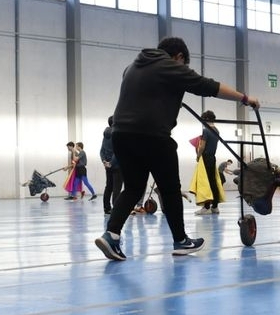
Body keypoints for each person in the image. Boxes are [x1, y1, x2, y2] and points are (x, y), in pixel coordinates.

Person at [94, 37, 259, 262]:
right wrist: (245, 98)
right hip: (152, 135)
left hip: (121, 135)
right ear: (179, 57)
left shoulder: (131, 67)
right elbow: (208, 86)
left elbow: (146, 93)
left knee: (133, 187)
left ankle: (111, 235)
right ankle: (180, 240)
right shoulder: (170, 66)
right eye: (185, 64)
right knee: (170, 189)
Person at [196, 110, 223, 214]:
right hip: (212, 158)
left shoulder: (206, 130)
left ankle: (206, 207)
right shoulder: (217, 130)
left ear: (206, 119)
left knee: (205, 182)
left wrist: (198, 156)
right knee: (213, 182)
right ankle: (215, 206)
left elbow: (202, 146)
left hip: (206, 158)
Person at [100, 117, 122, 214]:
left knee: (108, 186)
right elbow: (117, 151)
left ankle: (106, 208)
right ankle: (116, 209)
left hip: (107, 166)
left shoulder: (105, 135)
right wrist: (111, 163)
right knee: (117, 188)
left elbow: (101, 151)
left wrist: (104, 161)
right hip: (116, 165)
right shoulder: (117, 134)